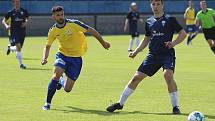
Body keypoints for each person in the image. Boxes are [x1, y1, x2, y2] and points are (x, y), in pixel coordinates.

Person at [106, 0, 186, 114]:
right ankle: (120, 103)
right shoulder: (149, 21)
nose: (156, 6)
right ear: (151, 6)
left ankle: (175, 107)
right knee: (136, 78)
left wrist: (173, 43)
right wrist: (136, 52)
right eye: (153, 4)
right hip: (153, 55)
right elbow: (146, 38)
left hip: (167, 54)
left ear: (162, 5)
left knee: (168, 75)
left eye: (158, 4)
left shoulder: (170, 19)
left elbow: (183, 34)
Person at [41, 6, 110, 110]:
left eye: (62, 14)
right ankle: (47, 103)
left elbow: (92, 31)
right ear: (53, 17)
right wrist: (44, 58)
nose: (61, 17)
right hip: (62, 55)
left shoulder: (73, 24)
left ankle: (61, 81)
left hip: (76, 59)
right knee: (55, 75)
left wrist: (103, 43)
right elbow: (47, 46)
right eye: (58, 15)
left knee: (67, 89)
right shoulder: (53, 30)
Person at [2, 0, 29, 69]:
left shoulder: (24, 11)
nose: (17, 3)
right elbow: (3, 21)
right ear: (13, 3)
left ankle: (10, 48)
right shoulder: (10, 13)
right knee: (18, 46)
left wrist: (26, 22)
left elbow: (27, 18)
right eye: (16, 2)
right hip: (13, 33)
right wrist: (6, 26)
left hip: (22, 33)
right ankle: (21, 65)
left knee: (18, 49)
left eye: (18, 2)